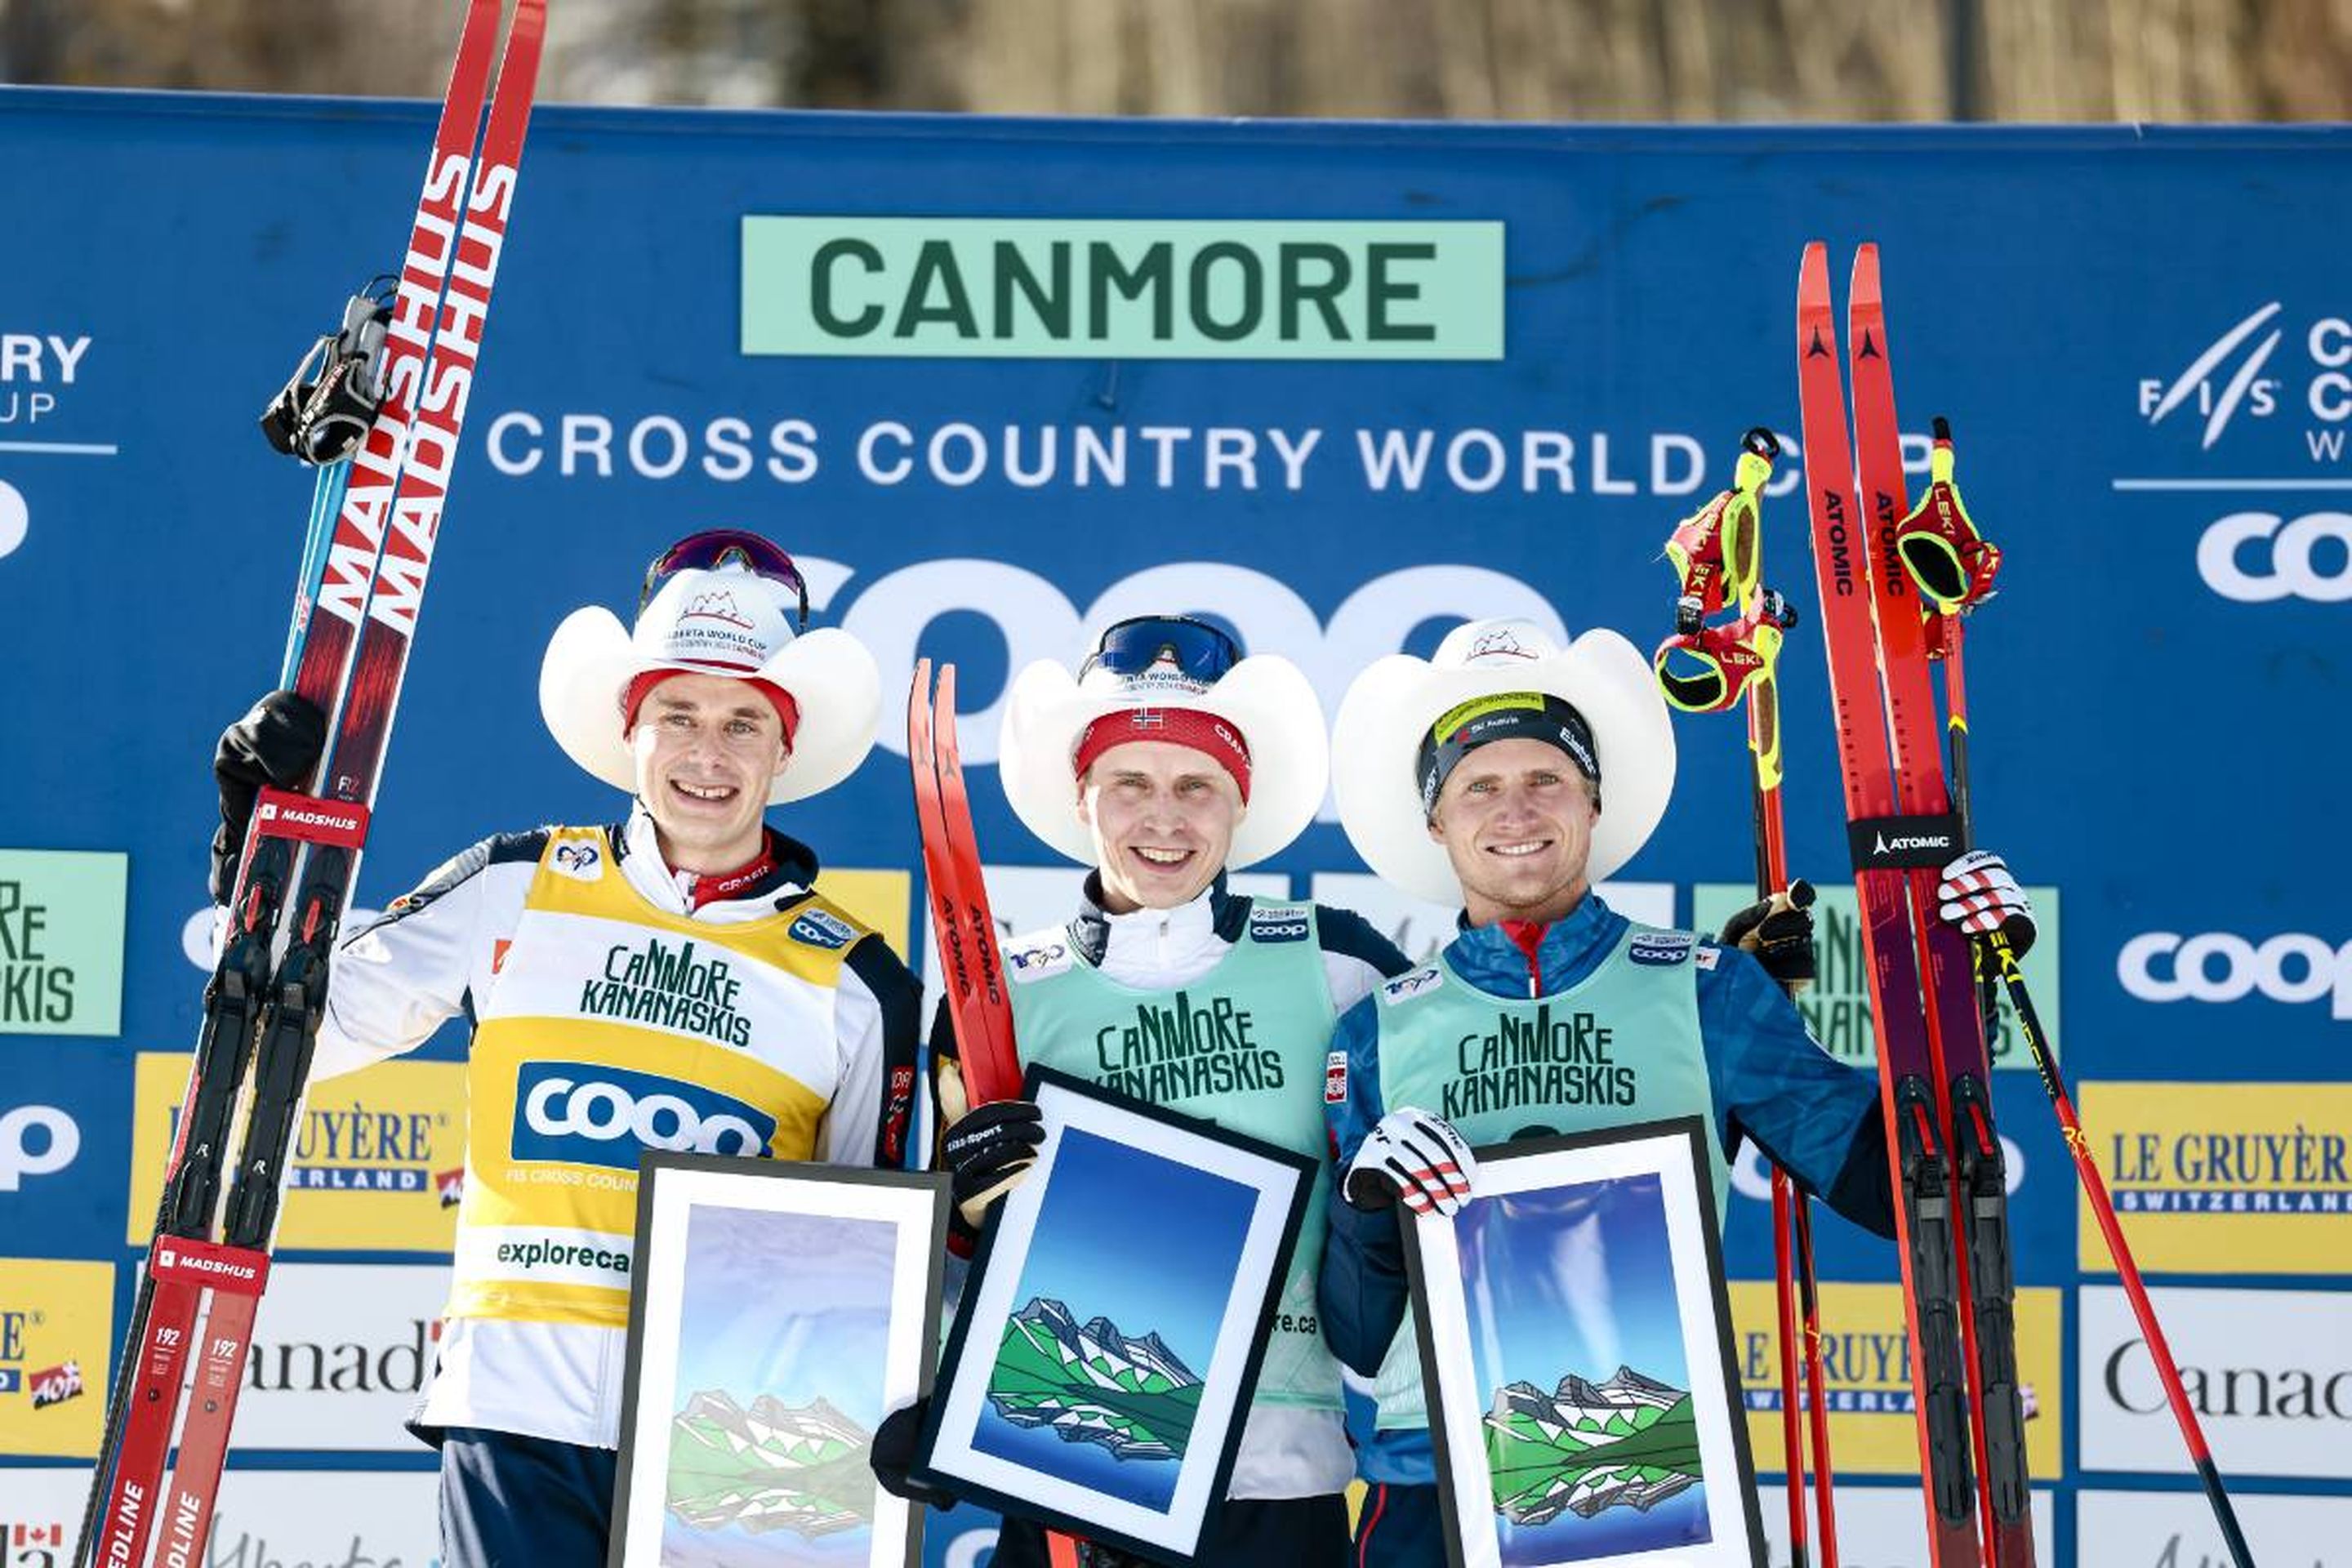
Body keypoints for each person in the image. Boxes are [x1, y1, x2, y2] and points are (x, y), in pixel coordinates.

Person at [207, 530, 922, 1567]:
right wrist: (250, 859)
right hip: (515, 1416)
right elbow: (287, 1036)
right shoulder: (514, 885)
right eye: (677, 715)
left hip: (726, 1454)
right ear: (630, 727)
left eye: (742, 723)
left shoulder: (860, 982)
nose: (707, 754)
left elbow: (872, 1260)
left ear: (785, 748)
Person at [1313, 616, 1905, 1567]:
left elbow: (1905, 1189)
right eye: (1480, 787)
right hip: (1434, 1480)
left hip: (1647, 1481)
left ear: (1592, 803)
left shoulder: (1707, 989)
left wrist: (1952, 972)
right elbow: (1356, 1328)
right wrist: (1366, 1212)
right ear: (1437, 821)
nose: (1516, 812)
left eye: (1546, 778)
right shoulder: (1376, 1029)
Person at [922, 615, 1413, 1568]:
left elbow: (1474, 1088)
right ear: (1081, 797)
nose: (1164, 819)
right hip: (1064, 1469)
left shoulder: (1339, 960)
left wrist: (1708, 990)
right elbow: (940, 1259)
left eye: (1197, 787)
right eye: (1130, 785)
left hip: (1275, 1480)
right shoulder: (999, 994)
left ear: (1241, 804)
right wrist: (963, 1219)